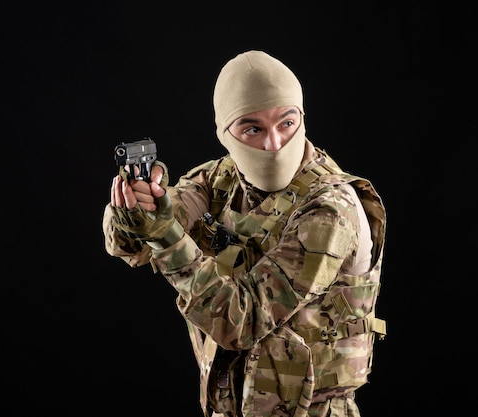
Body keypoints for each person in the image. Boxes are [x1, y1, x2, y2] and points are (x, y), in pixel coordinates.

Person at [102, 50, 387, 417]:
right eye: (252, 129)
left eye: (286, 123)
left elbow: (242, 320)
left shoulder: (331, 209)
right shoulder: (219, 179)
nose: (274, 144)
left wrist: (167, 238)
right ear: (226, 134)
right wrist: (137, 207)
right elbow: (130, 246)